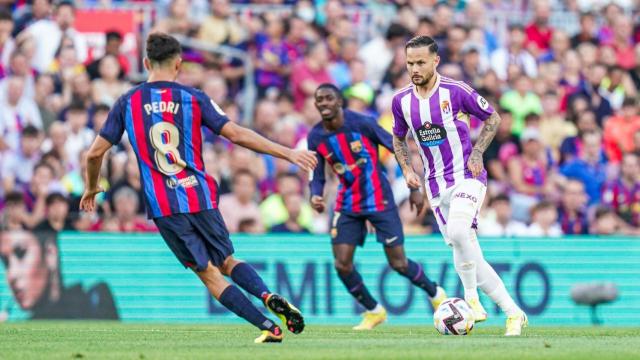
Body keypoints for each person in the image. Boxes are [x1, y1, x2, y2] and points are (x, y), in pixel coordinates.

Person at [79, 33, 317, 344]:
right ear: (178, 64)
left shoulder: (128, 102)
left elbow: (94, 153)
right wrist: (288, 152)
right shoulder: (194, 98)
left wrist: (92, 187)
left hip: (165, 205)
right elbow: (236, 134)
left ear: (146, 63)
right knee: (228, 261)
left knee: (208, 273)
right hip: (200, 195)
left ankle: (267, 326)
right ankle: (267, 294)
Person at [391, 36, 527, 336]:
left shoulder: (456, 91)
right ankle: (514, 313)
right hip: (435, 186)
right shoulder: (401, 100)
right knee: (471, 255)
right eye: (410, 62)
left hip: (468, 175)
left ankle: (471, 300)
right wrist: (406, 168)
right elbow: (398, 138)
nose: (414, 68)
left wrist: (478, 152)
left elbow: (493, 118)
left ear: (435, 61)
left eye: (420, 62)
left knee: (457, 231)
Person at [308, 83, 446, 331]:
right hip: (347, 203)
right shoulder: (315, 136)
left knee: (399, 264)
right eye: (319, 99)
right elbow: (317, 173)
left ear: (340, 102)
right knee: (342, 264)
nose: (324, 103)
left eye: (329, 98)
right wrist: (315, 195)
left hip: (379, 199)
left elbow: (396, 147)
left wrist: (414, 187)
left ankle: (435, 292)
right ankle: (374, 311)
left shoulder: (362, 123)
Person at [0, 229, 118, 319]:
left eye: (21, 253)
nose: (12, 274)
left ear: (50, 252)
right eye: (5, 262)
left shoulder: (94, 300)